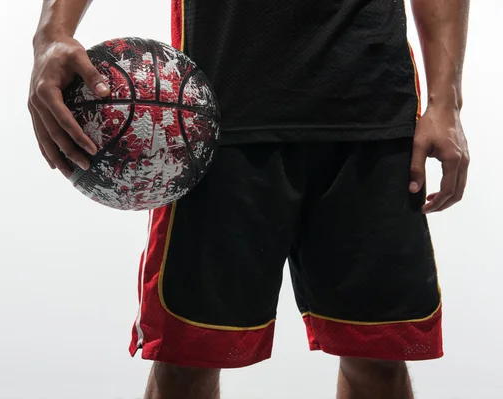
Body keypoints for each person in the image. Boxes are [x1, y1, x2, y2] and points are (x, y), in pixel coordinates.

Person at [28, 0, 470, 397]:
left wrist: (445, 101)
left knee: (380, 362)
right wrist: (51, 32)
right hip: (216, 120)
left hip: (371, 114)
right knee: (185, 364)